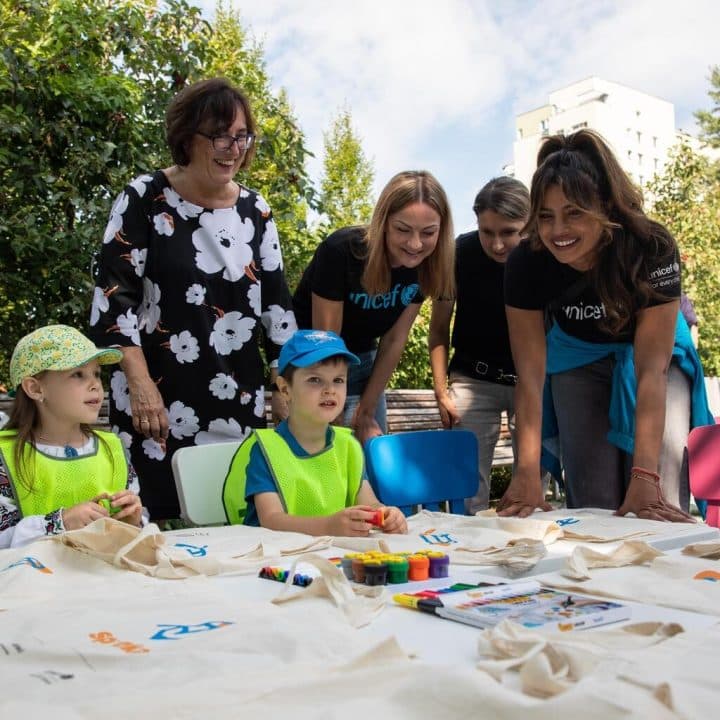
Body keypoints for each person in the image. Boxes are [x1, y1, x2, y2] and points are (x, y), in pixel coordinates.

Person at [90, 78, 296, 523]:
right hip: (156, 401)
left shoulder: (256, 212)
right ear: (187, 137)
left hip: (235, 397)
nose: (233, 147)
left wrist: (282, 388)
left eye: (242, 136)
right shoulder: (143, 198)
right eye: (220, 135)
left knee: (232, 519)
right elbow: (113, 299)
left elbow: (277, 309)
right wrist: (141, 387)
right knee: (147, 524)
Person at [500, 129, 714, 522]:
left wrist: (645, 475)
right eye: (546, 216)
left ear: (606, 207)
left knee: (658, 498)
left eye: (574, 213)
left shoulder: (651, 247)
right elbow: (530, 376)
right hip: (575, 356)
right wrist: (528, 472)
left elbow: (652, 370)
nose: (558, 231)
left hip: (653, 357)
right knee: (592, 503)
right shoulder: (525, 262)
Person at [292, 171, 455, 445]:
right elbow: (327, 341)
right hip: (314, 362)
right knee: (324, 455)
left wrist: (365, 411)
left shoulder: (428, 265)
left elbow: (394, 340)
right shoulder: (341, 251)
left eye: (428, 233)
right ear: (384, 223)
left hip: (367, 366)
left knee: (370, 459)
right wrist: (333, 416)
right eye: (403, 229)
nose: (415, 244)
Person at [223, 330, 407, 536]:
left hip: (330, 557)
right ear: (285, 390)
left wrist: (386, 515)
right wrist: (328, 527)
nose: (330, 389)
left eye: (338, 380)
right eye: (315, 380)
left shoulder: (348, 445)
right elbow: (271, 521)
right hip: (277, 561)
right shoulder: (267, 450)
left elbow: (369, 503)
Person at [429, 177, 529, 514]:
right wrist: (442, 390)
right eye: (488, 232)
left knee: (530, 489)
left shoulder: (542, 257)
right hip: (473, 382)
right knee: (468, 492)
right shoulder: (461, 252)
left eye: (509, 232)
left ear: (527, 226)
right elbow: (439, 328)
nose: (498, 244)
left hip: (529, 384)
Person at [0, 325, 143, 548]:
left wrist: (133, 522)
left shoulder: (113, 448)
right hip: (34, 580)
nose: (95, 384)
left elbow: (136, 530)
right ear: (35, 389)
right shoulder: (5, 457)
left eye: (96, 373)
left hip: (105, 578)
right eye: (77, 374)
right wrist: (60, 522)